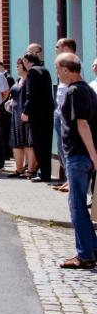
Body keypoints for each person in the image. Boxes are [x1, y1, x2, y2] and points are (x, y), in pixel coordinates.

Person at [55, 53, 97, 269]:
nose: (58, 74)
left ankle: (85, 256)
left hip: (78, 155)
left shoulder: (75, 91)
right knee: (79, 204)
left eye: (58, 70)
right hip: (84, 155)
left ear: (65, 69)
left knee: (77, 206)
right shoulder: (88, 90)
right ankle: (92, 248)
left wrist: (93, 154)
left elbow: (82, 124)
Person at [21, 48, 56, 183]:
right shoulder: (44, 70)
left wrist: (26, 112)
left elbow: (31, 94)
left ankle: (43, 173)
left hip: (37, 114)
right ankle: (45, 172)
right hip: (47, 113)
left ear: (26, 61)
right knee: (46, 144)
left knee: (39, 144)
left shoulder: (32, 72)